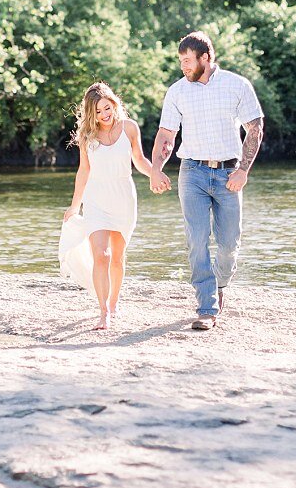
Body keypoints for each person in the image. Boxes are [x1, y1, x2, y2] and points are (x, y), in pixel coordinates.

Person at [147, 31, 264, 331]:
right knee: (197, 241)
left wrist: (243, 171)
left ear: (205, 58)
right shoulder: (177, 91)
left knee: (228, 245)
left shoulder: (237, 85)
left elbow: (255, 128)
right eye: (181, 61)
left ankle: (220, 284)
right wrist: (156, 169)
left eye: (188, 60)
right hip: (193, 173)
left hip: (229, 174)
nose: (183, 66)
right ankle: (206, 307)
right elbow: (166, 135)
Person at [58, 82, 154, 330]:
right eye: (98, 112)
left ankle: (113, 302)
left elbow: (140, 160)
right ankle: (104, 312)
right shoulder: (87, 136)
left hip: (123, 198)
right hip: (96, 199)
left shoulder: (129, 128)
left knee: (118, 258)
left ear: (114, 104)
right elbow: (84, 170)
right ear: (91, 114)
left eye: (106, 108)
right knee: (102, 255)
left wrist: (155, 174)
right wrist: (74, 205)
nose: (104, 115)